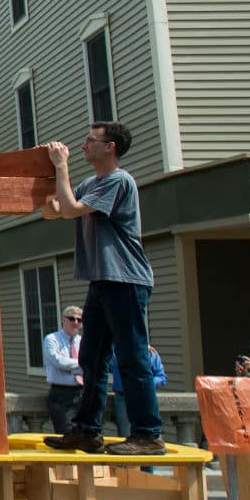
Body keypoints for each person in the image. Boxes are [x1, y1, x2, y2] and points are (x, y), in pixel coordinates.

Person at [42, 122, 166, 455]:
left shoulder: (118, 181)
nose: (83, 146)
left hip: (126, 280)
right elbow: (57, 211)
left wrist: (61, 166)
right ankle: (86, 430)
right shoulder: (90, 183)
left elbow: (71, 209)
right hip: (102, 281)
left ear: (109, 147)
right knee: (91, 358)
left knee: (132, 358)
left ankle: (148, 434)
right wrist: (41, 190)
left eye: (89, 141)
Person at [107, 346, 167, 439]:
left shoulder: (151, 354)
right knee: (125, 434)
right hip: (122, 398)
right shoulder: (115, 354)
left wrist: (147, 384)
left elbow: (161, 377)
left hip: (144, 397)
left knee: (148, 436)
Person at [42, 306, 84, 435]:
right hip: (61, 394)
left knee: (84, 436)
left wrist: (70, 365)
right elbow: (59, 362)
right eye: (71, 318)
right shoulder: (52, 339)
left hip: (82, 393)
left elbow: (92, 364)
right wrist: (82, 365)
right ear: (63, 320)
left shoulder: (83, 342)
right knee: (67, 435)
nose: (75, 322)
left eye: (79, 320)